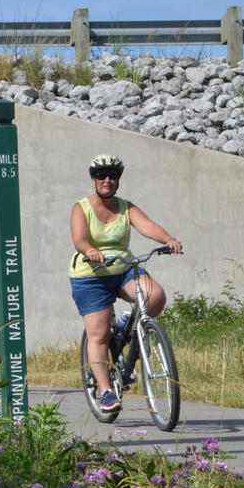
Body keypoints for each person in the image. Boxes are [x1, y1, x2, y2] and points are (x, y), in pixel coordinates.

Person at [69, 154, 183, 413]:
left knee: (155, 296)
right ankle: (107, 391)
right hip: (91, 275)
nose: (107, 180)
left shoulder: (125, 207)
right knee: (98, 335)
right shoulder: (81, 208)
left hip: (122, 269)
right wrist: (90, 251)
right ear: (93, 179)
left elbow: (147, 226)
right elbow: (80, 239)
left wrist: (167, 239)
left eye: (113, 176)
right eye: (102, 176)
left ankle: (129, 331)